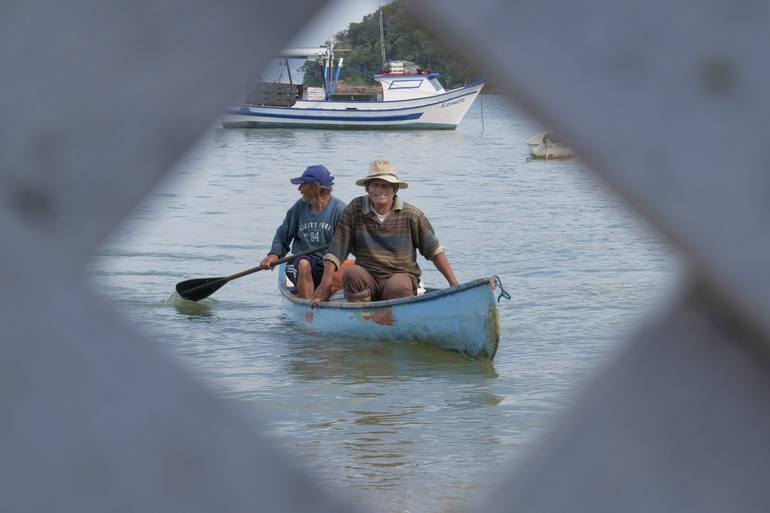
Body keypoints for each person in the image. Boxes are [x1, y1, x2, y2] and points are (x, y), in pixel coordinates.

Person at [311, 160, 459, 306]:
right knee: (352, 273)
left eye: (386, 185)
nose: (380, 190)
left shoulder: (412, 215)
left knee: (397, 286)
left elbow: (434, 251)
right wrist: (324, 286)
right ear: (368, 189)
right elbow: (336, 250)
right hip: (368, 277)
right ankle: (363, 317)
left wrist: (454, 285)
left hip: (400, 276)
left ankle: (394, 316)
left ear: (395, 189)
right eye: (375, 185)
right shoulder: (354, 210)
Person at [260, 165, 346, 299]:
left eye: (303, 185)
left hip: (328, 265)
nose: (299, 189)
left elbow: (347, 243)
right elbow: (283, 233)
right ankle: (309, 307)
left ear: (315, 187)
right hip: (301, 263)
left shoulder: (340, 210)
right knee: (303, 264)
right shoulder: (299, 207)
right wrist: (274, 254)